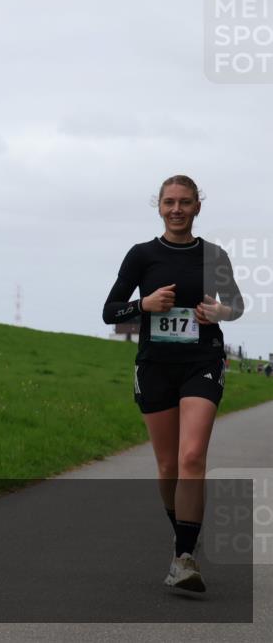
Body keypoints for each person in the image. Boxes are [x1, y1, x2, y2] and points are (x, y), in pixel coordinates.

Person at [102, 175, 243, 593]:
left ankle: (184, 558)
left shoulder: (214, 256)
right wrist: (143, 305)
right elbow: (110, 311)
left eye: (185, 202)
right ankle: (184, 531)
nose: (177, 209)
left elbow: (236, 305)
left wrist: (220, 311)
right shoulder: (142, 255)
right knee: (167, 466)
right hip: (155, 366)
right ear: (159, 207)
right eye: (169, 202)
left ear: (198, 206)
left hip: (202, 361)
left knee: (193, 456)